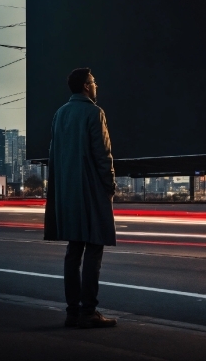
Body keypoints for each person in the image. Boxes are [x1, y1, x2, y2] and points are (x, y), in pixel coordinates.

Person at [44, 67, 117, 329]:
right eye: (94, 82)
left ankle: (72, 312)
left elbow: (54, 156)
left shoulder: (60, 114)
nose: (97, 86)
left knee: (73, 251)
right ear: (86, 86)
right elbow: (103, 155)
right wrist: (109, 187)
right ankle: (89, 312)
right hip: (91, 191)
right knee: (94, 247)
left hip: (68, 193)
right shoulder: (94, 113)